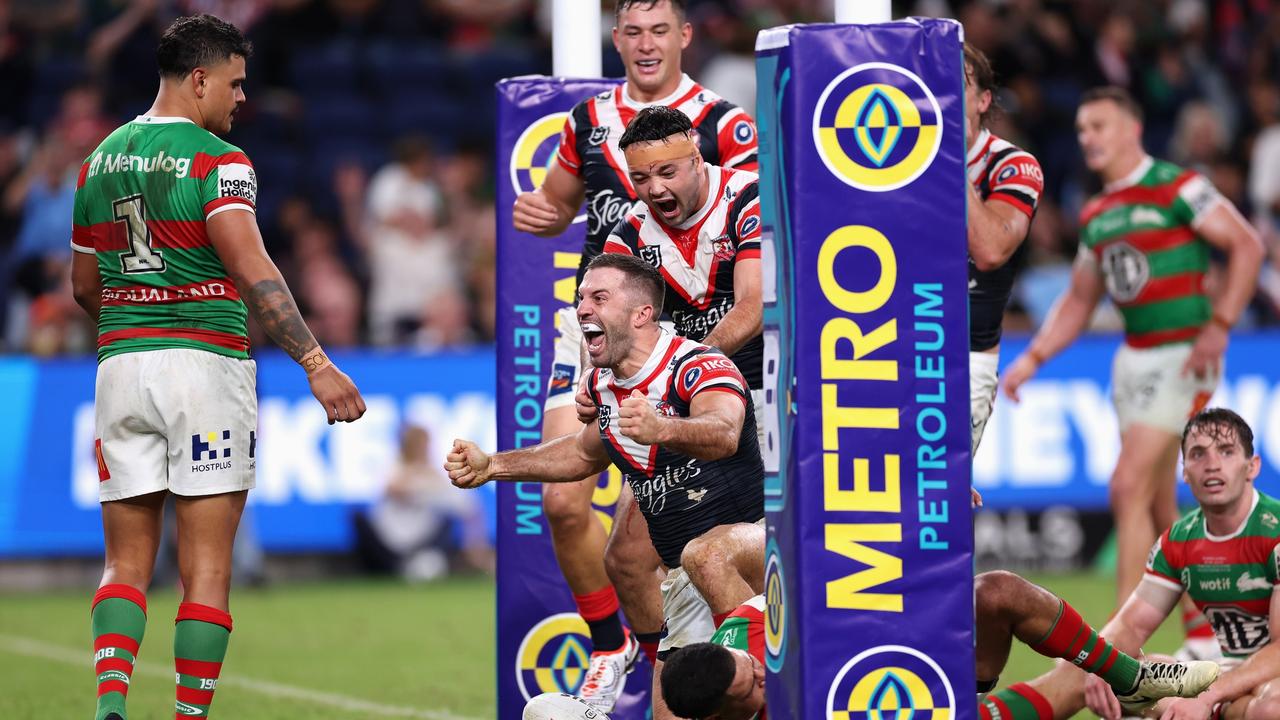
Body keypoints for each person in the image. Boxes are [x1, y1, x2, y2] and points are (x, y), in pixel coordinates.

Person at [69, 15, 365, 720]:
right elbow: (251, 265)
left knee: (124, 564)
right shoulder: (219, 162)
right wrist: (315, 361)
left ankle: (111, 706)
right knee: (205, 570)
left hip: (121, 367)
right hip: (205, 368)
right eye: (233, 84)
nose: (240, 99)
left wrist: (138, 325)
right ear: (198, 79)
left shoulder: (97, 160)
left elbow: (83, 288)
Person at [510, 0, 758, 709]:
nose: (646, 44)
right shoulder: (589, 125)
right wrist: (550, 215)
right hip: (619, 333)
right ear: (613, 38)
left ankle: (735, 674)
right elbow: (562, 206)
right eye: (633, 31)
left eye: (660, 30)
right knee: (566, 503)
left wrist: (678, 371)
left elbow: (750, 292)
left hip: (698, 357)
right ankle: (618, 651)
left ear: (685, 37)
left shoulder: (725, 128)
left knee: (688, 547)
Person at [1002, 86, 1264, 651]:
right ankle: (1205, 630)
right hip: (1133, 359)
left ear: (1131, 129)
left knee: (1126, 483)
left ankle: (1120, 646)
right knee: (1156, 501)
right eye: (1080, 130)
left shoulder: (1178, 187)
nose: (1086, 138)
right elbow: (1077, 299)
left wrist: (1220, 323)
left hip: (1184, 353)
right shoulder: (1097, 213)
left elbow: (1245, 245)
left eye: (1097, 125)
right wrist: (1034, 357)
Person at [445, 253, 763, 716]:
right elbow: (580, 452)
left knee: (706, 556)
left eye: (599, 298)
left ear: (641, 314)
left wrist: (663, 430)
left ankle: (767, 681)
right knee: (671, 707)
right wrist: (492, 465)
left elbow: (724, 432)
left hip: (757, 552)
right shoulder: (604, 388)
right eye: (580, 300)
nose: (582, 310)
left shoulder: (696, 365)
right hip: (685, 582)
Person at [660, 573, 1221, 720]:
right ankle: (1215, 683)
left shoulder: (747, 631)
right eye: (754, 686)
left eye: (754, 666)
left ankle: (1131, 677)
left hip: (910, 661)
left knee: (999, 592)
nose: (765, 673)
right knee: (1070, 687)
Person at [962, 44, 1043, 453]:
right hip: (889, 346)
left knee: (940, 492)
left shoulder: (1013, 165)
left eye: (956, 85)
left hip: (967, 356)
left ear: (983, 100)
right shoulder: (891, 157)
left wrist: (946, 161)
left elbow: (991, 250)